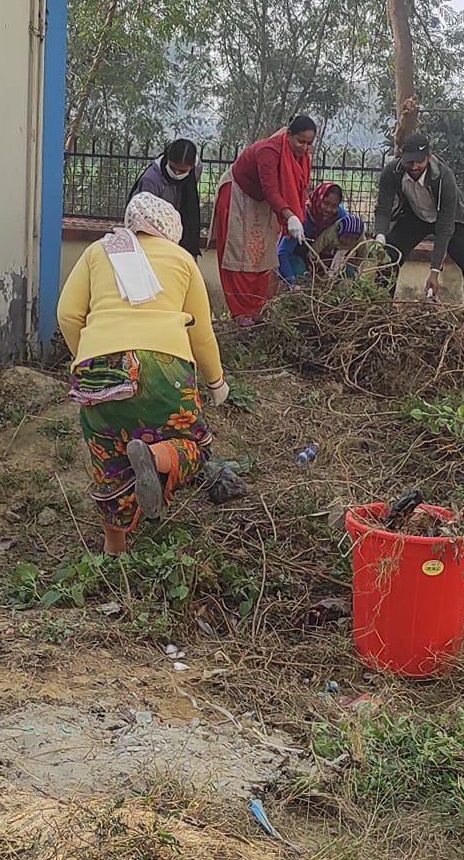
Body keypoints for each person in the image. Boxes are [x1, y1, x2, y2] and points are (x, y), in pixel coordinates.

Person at [58, 191, 231, 554]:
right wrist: (216, 382)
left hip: (98, 366)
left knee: (108, 456)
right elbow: (200, 332)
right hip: (163, 365)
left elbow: (68, 314)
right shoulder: (182, 259)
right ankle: (155, 457)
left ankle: (114, 549)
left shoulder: (97, 251)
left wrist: (89, 359)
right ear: (170, 230)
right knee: (195, 445)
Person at [214, 116, 316, 324]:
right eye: (300, 141)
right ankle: (240, 314)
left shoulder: (301, 157)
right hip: (239, 194)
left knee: (263, 254)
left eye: (308, 143)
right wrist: (290, 216)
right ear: (288, 135)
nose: (304, 147)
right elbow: (271, 190)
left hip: (266, 202)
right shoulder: (268, 152)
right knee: (240, 255)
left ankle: (257, 310)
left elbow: (296, 187)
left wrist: (295, 214)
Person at [373, 131, 464, 310]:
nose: (415, 166)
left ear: (429, 157)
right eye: (410, 161)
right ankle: (379, 310)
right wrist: (380, 238)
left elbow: (444, 226)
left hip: (450, 219)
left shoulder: (444, 177)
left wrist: (434, 271)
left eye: (420, 161)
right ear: (402, 157)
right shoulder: (392, 172)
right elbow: (383, 209)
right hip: (415, 216)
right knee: (389, 257)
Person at [277, 181, 365, 283]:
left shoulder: (340, 219)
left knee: (347, 272)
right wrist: (292, 282)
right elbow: (282, 253)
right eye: (326, 203)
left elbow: (354, 238)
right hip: (297, 257)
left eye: (334, 206)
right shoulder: (301, 217)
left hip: (324, 260)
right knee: (301, 276)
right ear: (318, 199)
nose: (329, 209)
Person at [132, 138, 205, 257]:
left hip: (182, 227)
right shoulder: (151, 180)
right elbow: (146, 218)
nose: (176, 173)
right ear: (167, 160)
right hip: (157, 233)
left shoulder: (197, 168)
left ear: (191, 167)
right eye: (172, 168)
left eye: (182, 171)